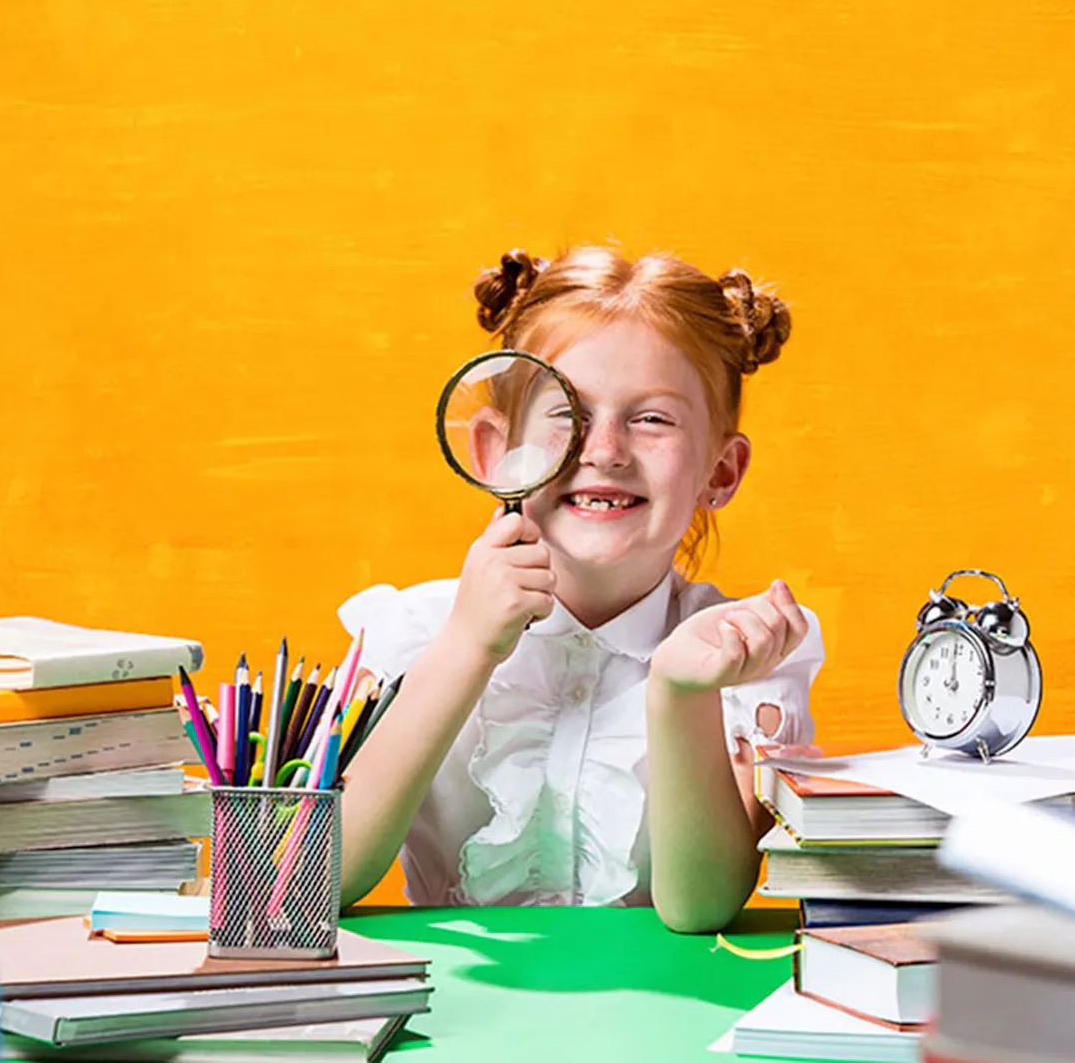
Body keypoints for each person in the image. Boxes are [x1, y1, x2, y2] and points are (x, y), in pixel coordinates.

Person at [336, 245, 824, 932]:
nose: (606, 450)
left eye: (652, 418)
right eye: (567, 414)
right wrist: (465, 650)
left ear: (721, 471)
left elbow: (702, 907)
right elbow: (322, 881)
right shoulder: (410, 633)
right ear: (493, 453)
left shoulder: (741, 654)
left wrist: (682, 693)